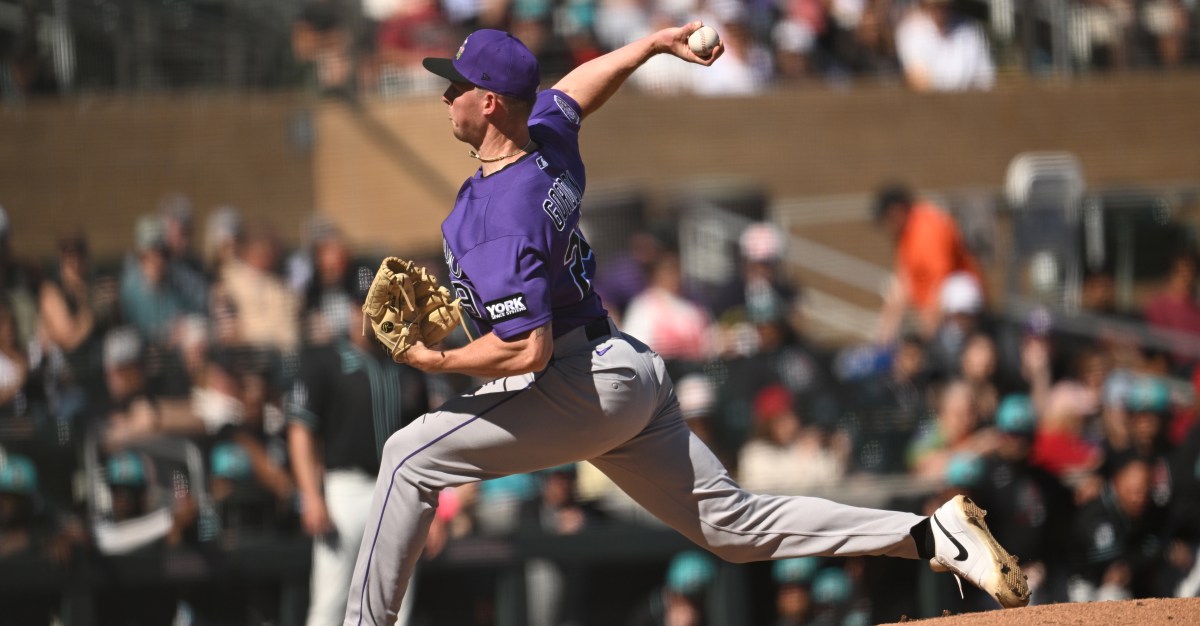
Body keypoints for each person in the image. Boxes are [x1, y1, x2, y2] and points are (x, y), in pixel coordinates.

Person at [343, 25, 1029, 624]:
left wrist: (436, 362)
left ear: (490, 102)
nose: (445, 95)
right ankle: (930, 535)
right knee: (734, 528)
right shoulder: (545, 139)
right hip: (623, 369)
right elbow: (575, 90)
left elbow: (526, 350)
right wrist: (650, 45)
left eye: (456, 85)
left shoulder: (499, 216)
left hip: (574, 383)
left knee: (406, 457)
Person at [288, 294, 429, 626]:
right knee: (331, 600)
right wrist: (311, 495)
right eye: (364, 305)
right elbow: (300, 431)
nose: (371, 313)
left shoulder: (406, 362)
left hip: (398, 489)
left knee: (395, 602)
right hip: (345, 489)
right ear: (352, 309)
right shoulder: (325, 360)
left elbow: (426, 438)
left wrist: (430, 503)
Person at [874, 184, 983, 343]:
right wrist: (883, 336)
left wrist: (928, 332)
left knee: (954, 292)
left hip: (957, 306)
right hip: (933, 310)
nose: (888, 228)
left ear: (896, 211)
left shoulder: (926, 227)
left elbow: (940, 281)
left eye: (887, 220)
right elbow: (901, 285)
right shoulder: (906, 234)